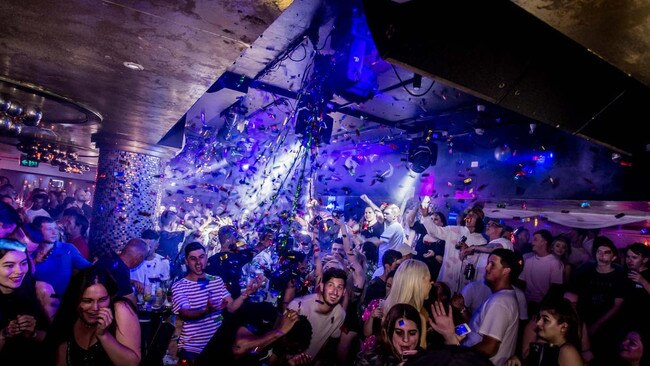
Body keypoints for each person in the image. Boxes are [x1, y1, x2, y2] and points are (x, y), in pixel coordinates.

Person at [429, 248, 524, 366]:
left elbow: (490, 347)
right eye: (488, 263)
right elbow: (478, 329)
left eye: (492, 264)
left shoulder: (499, 302)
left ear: (506, 271)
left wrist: (460, 356)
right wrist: (456, 323)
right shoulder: (502, 297)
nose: (487, 267)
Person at [172, 242, 260, 362]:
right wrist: (206, 310)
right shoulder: (179, 286)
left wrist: (245, 295)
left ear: (206, 257)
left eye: (201, 257)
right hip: (192, 349)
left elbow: (231, 308)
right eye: (193, 259)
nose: (198, 262)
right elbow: (185, 313)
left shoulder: (216, 280)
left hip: (217, 346)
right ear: (187, 262)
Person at [48, 266, 141, 365]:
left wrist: (103, 335)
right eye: (87, 301)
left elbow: (132, 364)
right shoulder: (70, 317)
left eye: (102, 300)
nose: (95, 308)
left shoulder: (121, 309)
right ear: (75, 300)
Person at [569, 236, 626, 363]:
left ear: (614, 257)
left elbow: (617, 305)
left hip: (608, 327)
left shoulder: (619, 275)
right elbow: (574, 296)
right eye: (599, 252)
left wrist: (596, 325)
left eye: (606, 253)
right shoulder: (585, 271)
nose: (602, 255)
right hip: (585, 321)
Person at [0, 239, 49, 363]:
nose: (20, 271)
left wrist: (32, 333)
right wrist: (4, 335)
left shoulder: (31, 290)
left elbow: (51, 340)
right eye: (9, 266)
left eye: (23, 263)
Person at [421, 204, 487, 294]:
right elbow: (435, 231)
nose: (469, 216)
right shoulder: (453, 230)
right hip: (446, 280)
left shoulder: (481, 241)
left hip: (465, 284)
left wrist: (468, 253)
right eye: (468, 214)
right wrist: (425, 216)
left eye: (473, 215)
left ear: (479, 221)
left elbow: (477, 263)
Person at [287, 267, 347, 362]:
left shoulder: (340, 314)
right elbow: (279, 344)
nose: (335, 292)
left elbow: (326, 344)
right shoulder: (299, 307)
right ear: (322, 287)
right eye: (331, 285)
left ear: (344, 292)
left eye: (339, 287)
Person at [505, 298, 584, 366]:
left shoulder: (567, 351)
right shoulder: (545, 346)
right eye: (540, 318)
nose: (538, 323)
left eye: (545, 320)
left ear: (563, 327)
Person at [32, 216, 91, 297]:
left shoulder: (67, 248)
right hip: (34, 300)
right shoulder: (31, 250)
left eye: (55, 228)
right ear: (38, 231)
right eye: (49, 229)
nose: (55, 232)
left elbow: (89, 269)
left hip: (60, 302)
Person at [382, 259, 432, 348]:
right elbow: (421, 359)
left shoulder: (389, 308)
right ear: (417, 283)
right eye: (429, 280)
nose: (431, 283)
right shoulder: (415, 317)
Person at [357, 303, 425, 365]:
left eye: (412, 333)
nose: (406, 339)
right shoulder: (370, 361)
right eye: (399, 332)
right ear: (389, 332)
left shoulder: (428, 360)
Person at [519, 229, 564, 315]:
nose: (532, 242)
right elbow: (522, 282)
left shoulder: (554, 262)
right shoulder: (528, 261)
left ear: (544, 242)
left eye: (535, 239)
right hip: (527, 304)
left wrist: (543, 305)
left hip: (543, 306)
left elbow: (556, 288)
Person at [94, 238, 148, 304]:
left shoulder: (109, 258)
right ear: (139, 258)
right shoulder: (121, 272)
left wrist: (132, 282)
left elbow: (110, 279)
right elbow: (130, 304)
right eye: (144, 258)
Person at [130, 230, 170, 299]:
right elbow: (122, 280)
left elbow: (165, 285)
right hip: (134, 300)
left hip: (154, 301)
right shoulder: (132, 260)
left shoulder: (163, 262)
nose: (146, 249)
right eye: (144, 246)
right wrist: (134, 282)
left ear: (157, 246)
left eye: (150, 247)